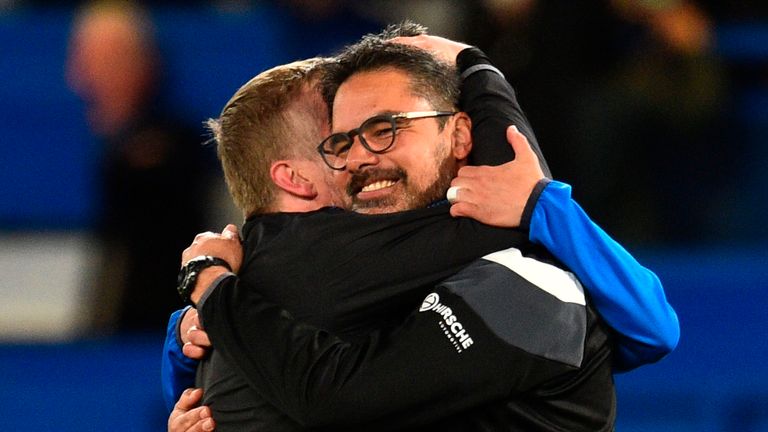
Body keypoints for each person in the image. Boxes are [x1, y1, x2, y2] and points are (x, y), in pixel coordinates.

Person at [164, 30, 678, 431]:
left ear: (457, 134)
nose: (361, 155)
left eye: (384, 128)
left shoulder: (240, 277)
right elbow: (649, 326)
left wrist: (198, 311)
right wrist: (478, 70)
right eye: (339, 141)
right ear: (294, 176)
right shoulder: (299, 266)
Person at [66, 0, 213, 332]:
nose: (98, 75)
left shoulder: (177, 152)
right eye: (90, 60)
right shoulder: (105, 152)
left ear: (147, 64)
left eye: (114, 60)